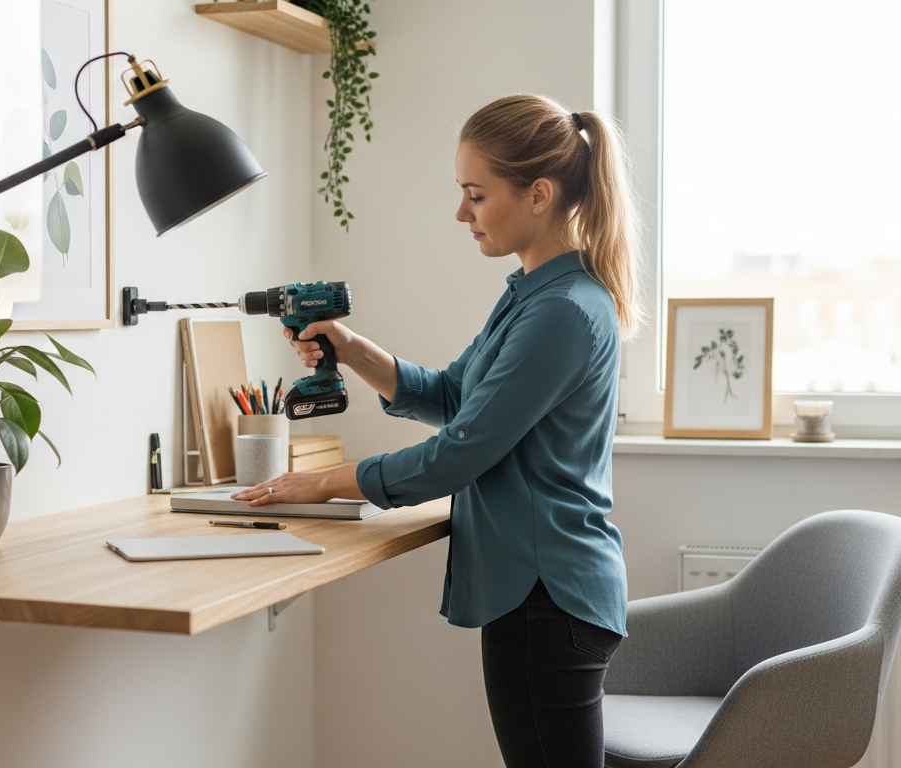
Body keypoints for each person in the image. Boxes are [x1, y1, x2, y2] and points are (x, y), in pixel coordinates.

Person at [232, 93, 640, 768]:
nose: (462, 213)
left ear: (538, 194)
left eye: (475, 195)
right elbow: (455, 397)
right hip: (539, 591)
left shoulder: (562, 313)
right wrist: (354, 349)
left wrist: (322, 483)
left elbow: (461, 454)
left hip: (549, 595)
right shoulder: (532, 295)